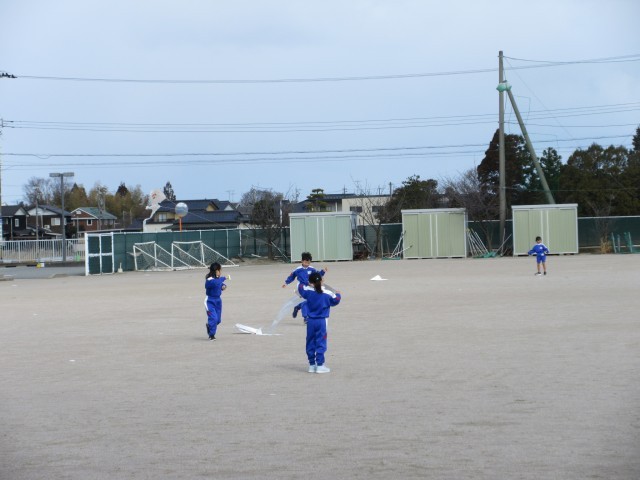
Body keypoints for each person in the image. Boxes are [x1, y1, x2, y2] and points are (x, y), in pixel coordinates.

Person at [298, 271, 341, 373]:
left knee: (310, 341)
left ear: (310, 282)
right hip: (321, 321)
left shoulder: (308, 291)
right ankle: (320, 365)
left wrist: (306, 282)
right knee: (321, 342)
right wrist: (338, 294)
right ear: (322, 281)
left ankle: (312, 365)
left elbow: (300, 287)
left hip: (310, 321)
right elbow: (336, 300)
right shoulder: (327, 293)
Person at [282, 252, 327, 322]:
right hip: (301, 287)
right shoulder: (298, 270)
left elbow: (317, 275)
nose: (307, 264)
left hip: (310, 287)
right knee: (306, 300)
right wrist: (286, 283)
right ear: (302, 261)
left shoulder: (312, 269)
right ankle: (305, 317)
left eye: (308, 263)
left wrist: (323, 272)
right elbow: (292, 276)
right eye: (306, 262)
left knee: (310, 300)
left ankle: (297, 307)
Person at [204, 262, 229, 340]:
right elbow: (215, 283)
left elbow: (220, 284)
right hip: (209, 301)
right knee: (213, 318)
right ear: (216, 271)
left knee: (218, 320)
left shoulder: (217, 279)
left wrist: (223, 286)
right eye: (220, 270)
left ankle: (209, 326)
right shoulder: (209, 280)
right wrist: (224, 278)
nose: (221, 272)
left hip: (218, 301)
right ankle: (211, 335)